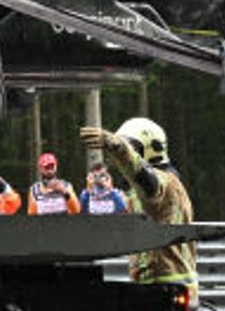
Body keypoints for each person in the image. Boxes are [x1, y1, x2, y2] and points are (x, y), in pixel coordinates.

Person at [81, 117, 199, 306]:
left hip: (167, 285)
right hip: (156, 286)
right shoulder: (141, 192)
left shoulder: (166, 182)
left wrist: (119, 147)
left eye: (133, 149)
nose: (124, 160)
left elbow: (146, 179)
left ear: (149, 149)